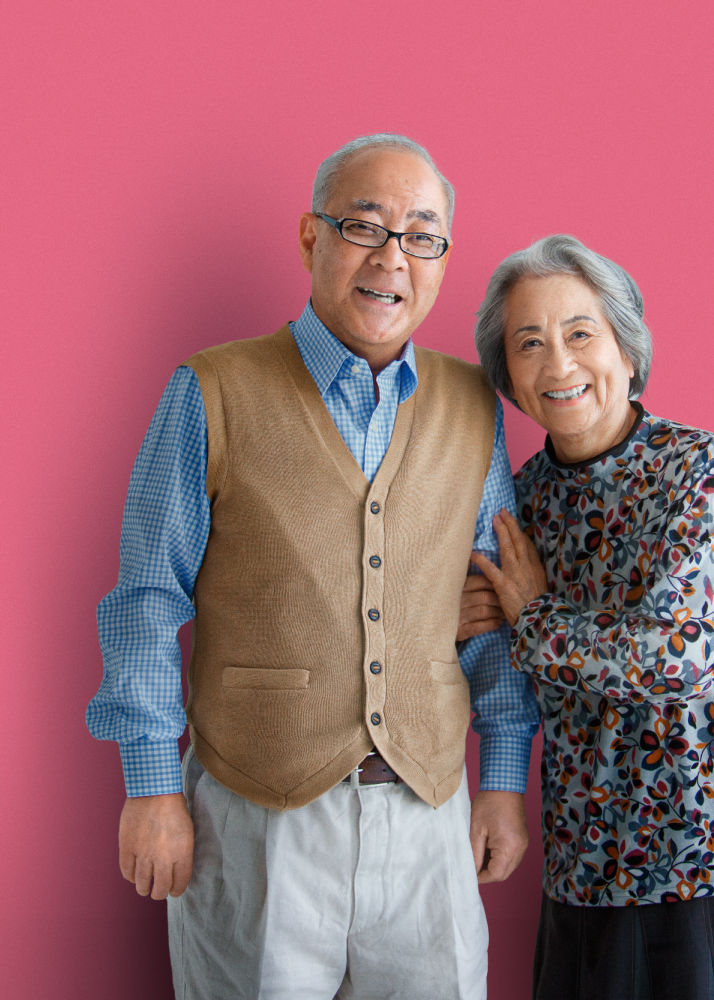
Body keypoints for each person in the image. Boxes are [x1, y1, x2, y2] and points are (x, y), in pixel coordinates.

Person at [86, 133, 540, 1000]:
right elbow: (146, 600)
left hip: (428, 816)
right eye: (365, 226)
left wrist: (504, 780)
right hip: (257, 817)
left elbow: (486, 613)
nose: (392, 258)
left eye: (422, 236)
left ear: (443, 261)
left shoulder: (471, 405)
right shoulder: (210, 390)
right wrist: (149, 785)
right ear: (310, 238)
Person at [462, 235, 714, 1000]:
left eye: (579, 334)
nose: (558, 364)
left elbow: (676, 654)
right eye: (528, 344)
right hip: (592, 860)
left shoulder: (700, 468)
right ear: (508, 379)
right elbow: (484, 632)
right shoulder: (519, 501)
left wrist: (532, 618)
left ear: (627, 352)